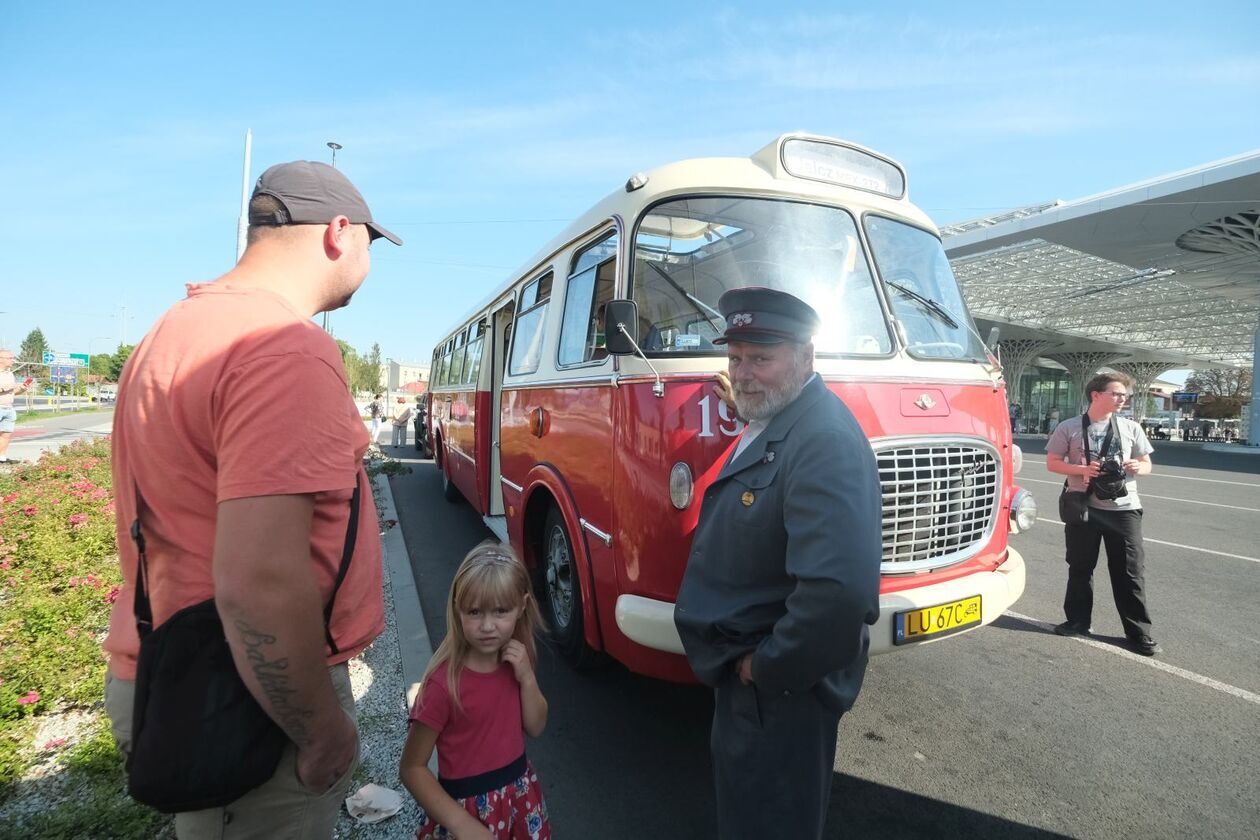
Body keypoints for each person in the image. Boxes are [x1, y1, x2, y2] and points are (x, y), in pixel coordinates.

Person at [103, 160, 402, 835]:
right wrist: (323, 732)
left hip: (173, 672)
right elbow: (260, 583)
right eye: (371, 244)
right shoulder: (285, 348)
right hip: (247, 702)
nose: (367, 259)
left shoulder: (169, 332)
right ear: (338, 233)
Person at [674, 287, 882, 840]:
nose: (743, 374)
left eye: (761, 358)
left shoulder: (824, 439)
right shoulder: (776, 417)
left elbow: (839, 593)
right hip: (757, 688)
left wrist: (765, 668)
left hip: (779, 695)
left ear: (807, 358)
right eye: (735, 358)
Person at [400, 542, 551, 840]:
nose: (487, 625)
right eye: (474, 612)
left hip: (519, 799)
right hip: (466, 812)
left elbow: (535, 726)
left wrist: (527, 679)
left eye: (500, 611)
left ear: (522, 606)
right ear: (457, 608)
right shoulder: (443, 686)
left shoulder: (518, 660)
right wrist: (460, 823)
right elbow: (412, 768)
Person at [1046, 373, 1159, 656]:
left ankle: (1138, 633)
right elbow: (1052, 463)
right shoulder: (1069, 427)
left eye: (1124, 396)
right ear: (1096, 395)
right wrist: (1082, 470)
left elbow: (1148, 465)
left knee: (1130, 572)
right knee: (1080, 567)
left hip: (1124, 509)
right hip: (1083, 507)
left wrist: (1137, 467)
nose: (1123, 399)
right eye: (1117, 394)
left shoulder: (1131, 428)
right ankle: (1077, 621)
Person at [0, 349, 31, 464]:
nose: (13, 361)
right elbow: (6, 388)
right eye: (10, 358)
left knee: (6, 434)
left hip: (8, 407)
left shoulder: (10, 374)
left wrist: (21, 389)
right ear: (1, 359)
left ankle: (1, 458)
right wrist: (7, 386)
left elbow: (12, 392)